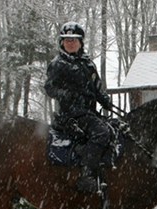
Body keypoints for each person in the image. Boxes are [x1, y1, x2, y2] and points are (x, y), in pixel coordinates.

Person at [44, 21, 113, 193]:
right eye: (67, 40)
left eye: (74, 40)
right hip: (71, 114)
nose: (70, 43)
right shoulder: (58, 64)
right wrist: (64, 94)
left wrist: (105, 100)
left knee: (113, 130)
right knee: (101, 132)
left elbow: (97, 86)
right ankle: (86, 176)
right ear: (62, 43)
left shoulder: (88, 64)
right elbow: (49, 87)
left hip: (88, 113)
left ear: (81, 42)